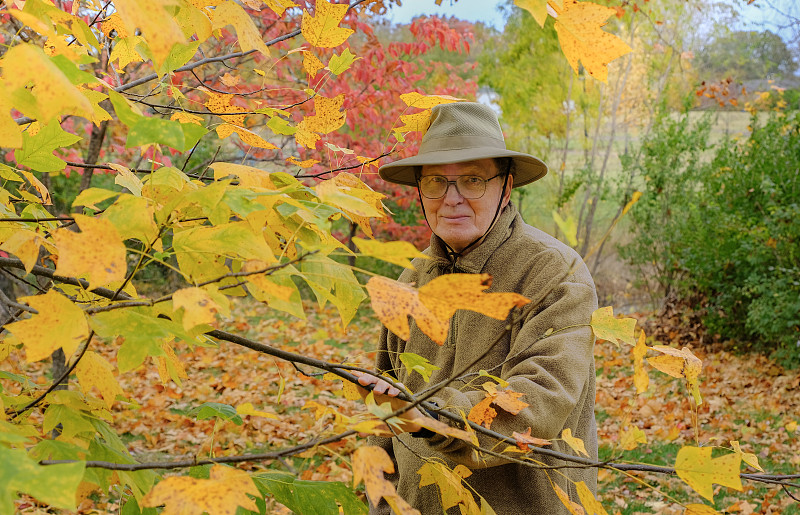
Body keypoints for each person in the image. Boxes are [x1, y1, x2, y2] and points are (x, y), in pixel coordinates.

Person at [356, 102, 598, 514]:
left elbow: (541, 398)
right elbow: (385, 411)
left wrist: (436, 416)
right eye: (435, 182)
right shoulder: (411, 280)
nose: (451, 199)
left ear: (505, 187)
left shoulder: (553, 272)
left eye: (472, 180)